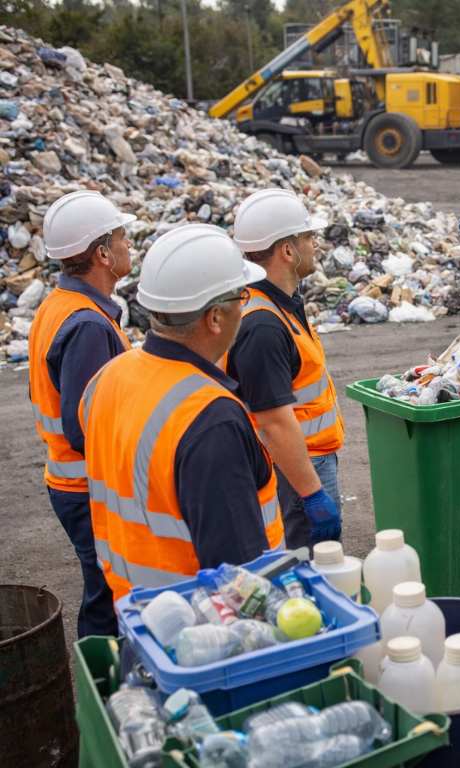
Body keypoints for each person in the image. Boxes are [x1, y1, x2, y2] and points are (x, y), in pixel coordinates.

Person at [79, 224, 284, 602]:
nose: (246, 305)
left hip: (138, 614)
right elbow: (242, 582)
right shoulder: (210, 419)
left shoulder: (107, 378)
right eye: (242, 296)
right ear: (215, 318)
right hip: (205, 633)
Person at [29, 191, 136, 637]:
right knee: (111, 597)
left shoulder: (61, 306)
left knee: (104, 591)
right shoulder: (88, 325)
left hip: (73, 481)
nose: (130, 244)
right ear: (102, 254)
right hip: (88, 485)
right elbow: (85, 427)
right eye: (122, 237)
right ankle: (106, 689)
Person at [224, 188, 344, 551]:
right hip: (297, 469)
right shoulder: (262, 325)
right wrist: (312, 494)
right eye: (309, 237)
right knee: (308, 574)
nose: (316, 244)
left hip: (305, 461)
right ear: (287, 251)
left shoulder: (277, 305)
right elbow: (273, 422)